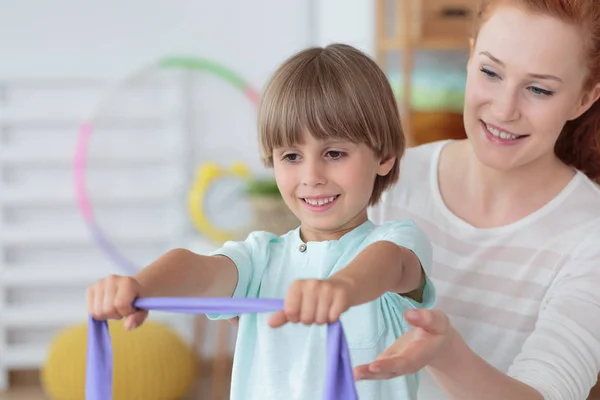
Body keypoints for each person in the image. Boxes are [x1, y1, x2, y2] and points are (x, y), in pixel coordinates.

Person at [86, 44, 436, 400]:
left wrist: (341, 288)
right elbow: (197, 269)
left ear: (385, 157)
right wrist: (139, 286)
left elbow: (387, 265)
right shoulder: (260, 259)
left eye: (334, 153)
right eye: (291, 156)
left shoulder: (398, 242)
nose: (311, 176)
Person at [353, 0, 600, 399]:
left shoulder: (591, 236)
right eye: (490, 72)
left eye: (538, 89)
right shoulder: (387, 179)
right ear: (470, 58)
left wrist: (446, 354)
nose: (504, 109)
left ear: (584, 99)